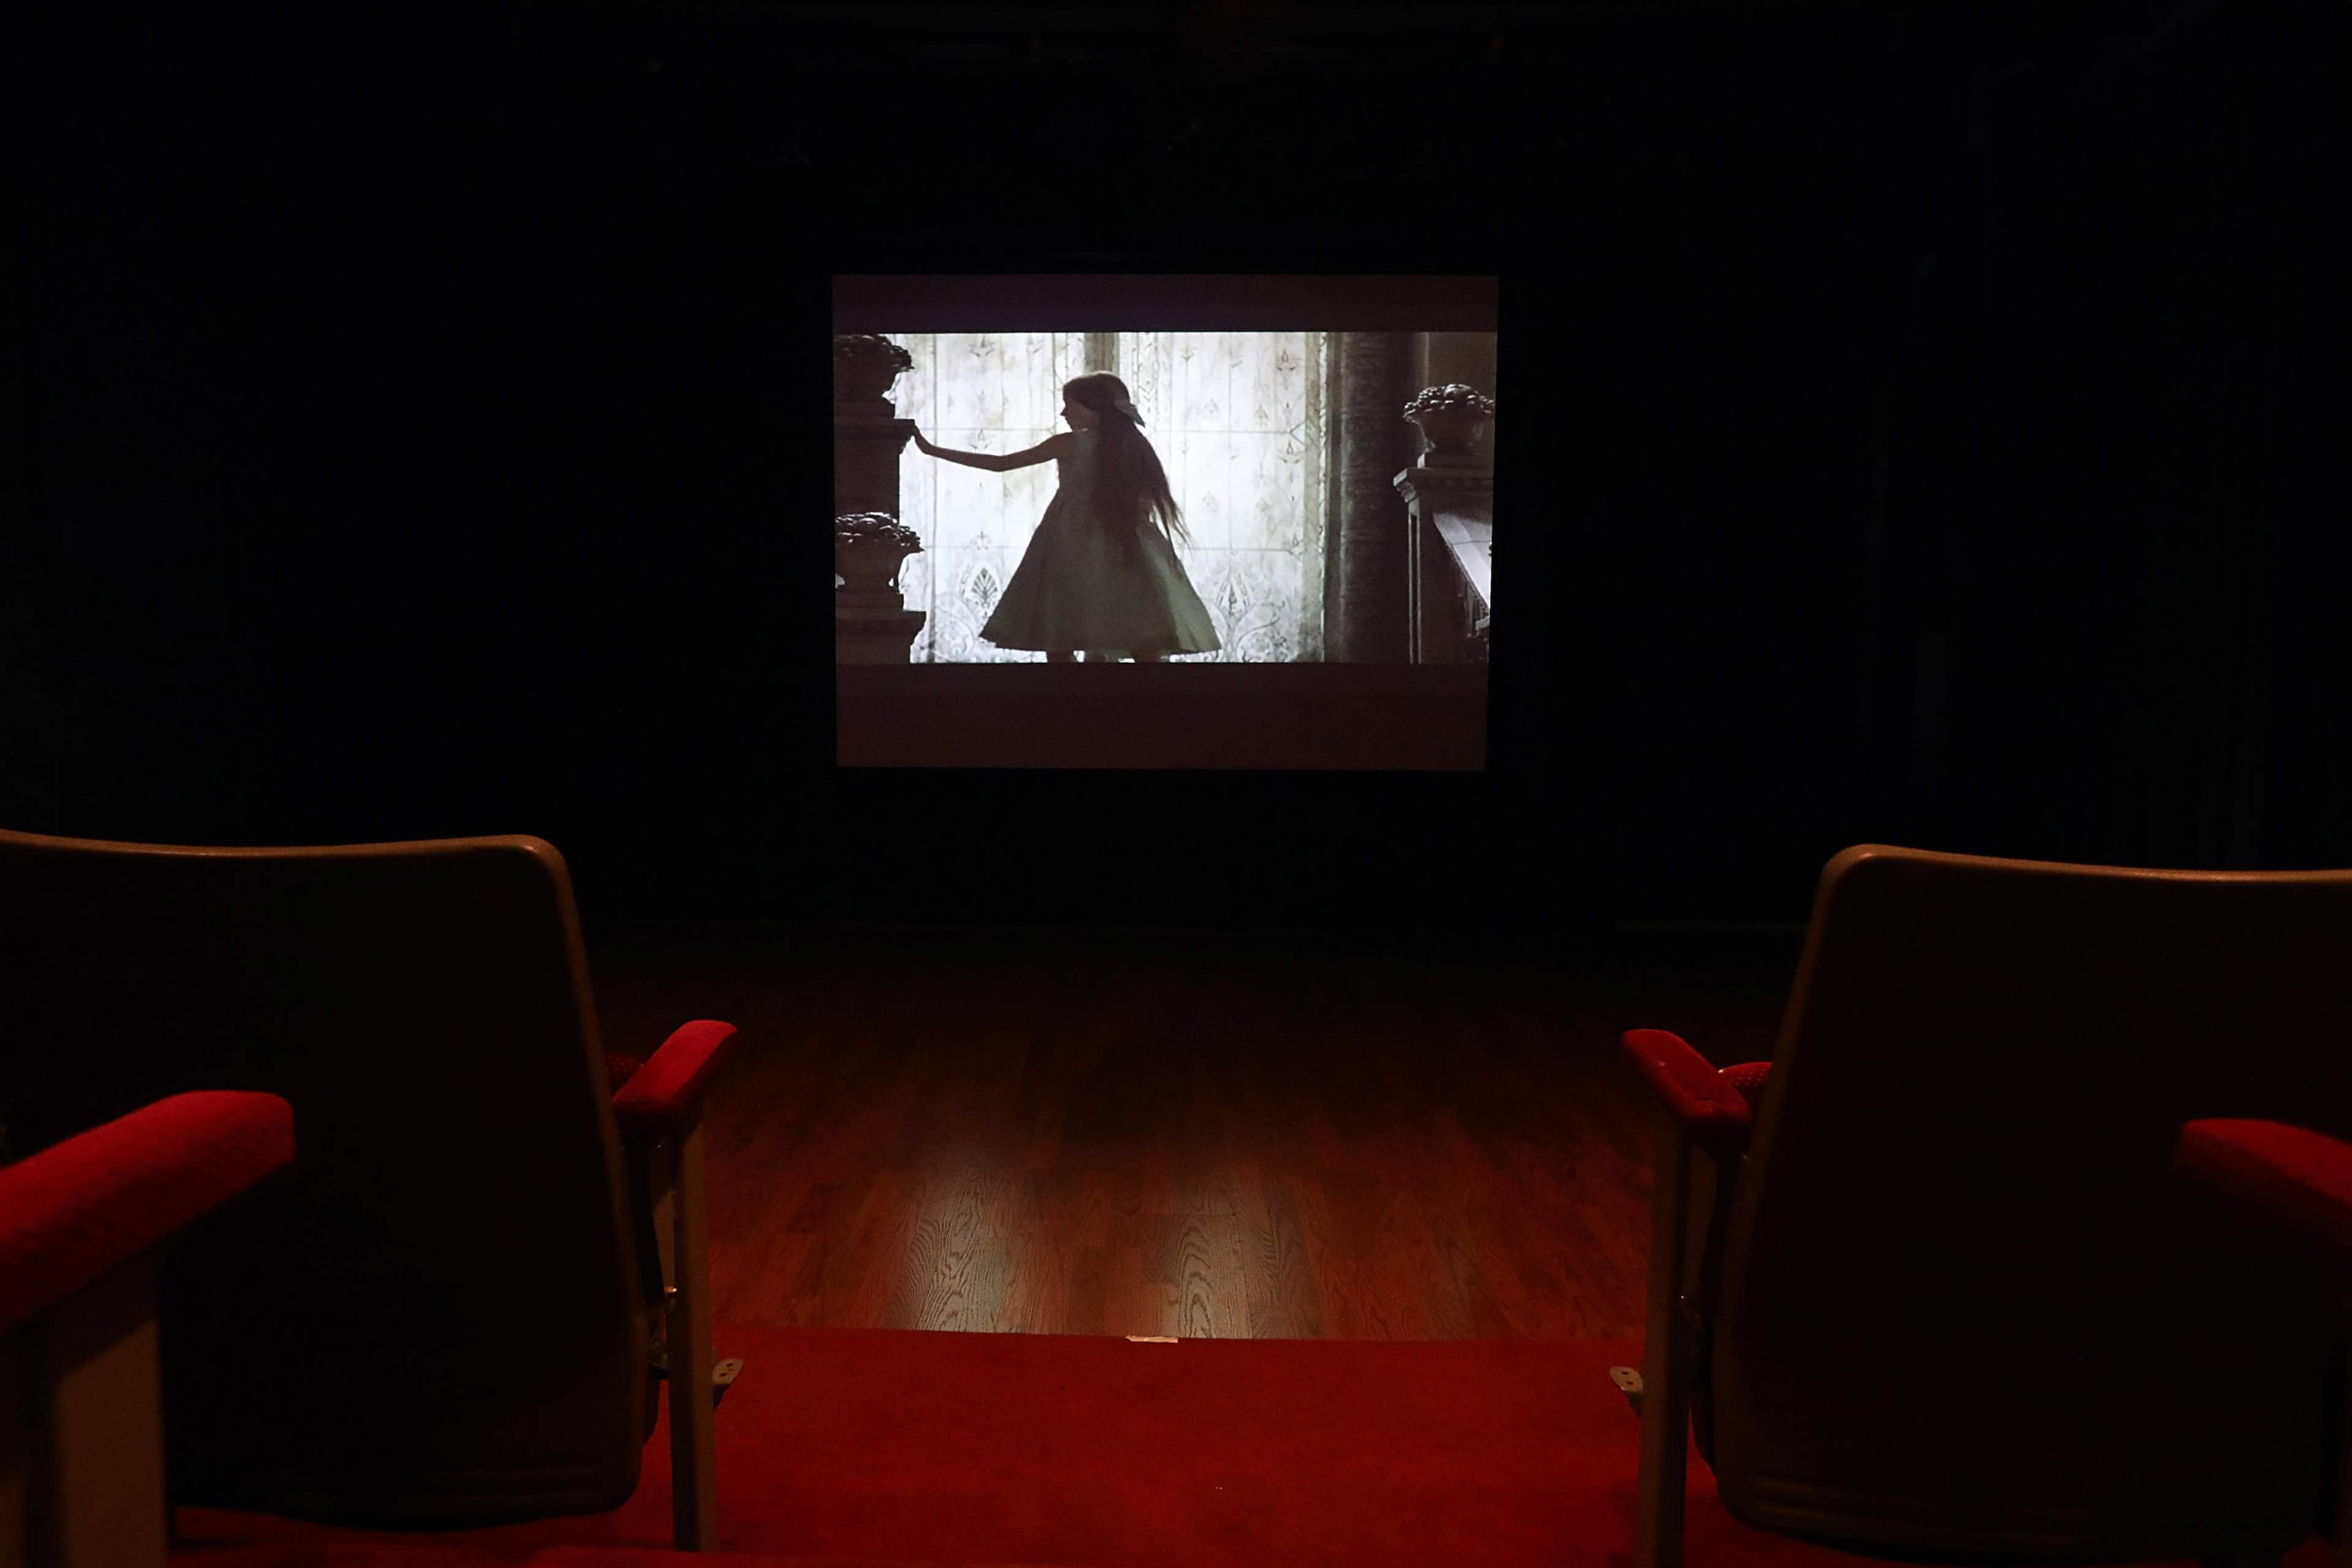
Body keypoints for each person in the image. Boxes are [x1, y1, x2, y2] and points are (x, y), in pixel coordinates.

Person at [911, 373, 1219, 663]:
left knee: (1061, 630)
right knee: (1138, 624)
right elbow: (1145, 502)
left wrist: (932, 449)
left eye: (1070, 405)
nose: (1064, 413)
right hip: (1128, 542)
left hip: (1071, 542)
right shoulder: (1134, 444)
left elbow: (1000, 464)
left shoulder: (1071, 443)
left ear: (1093, 408)